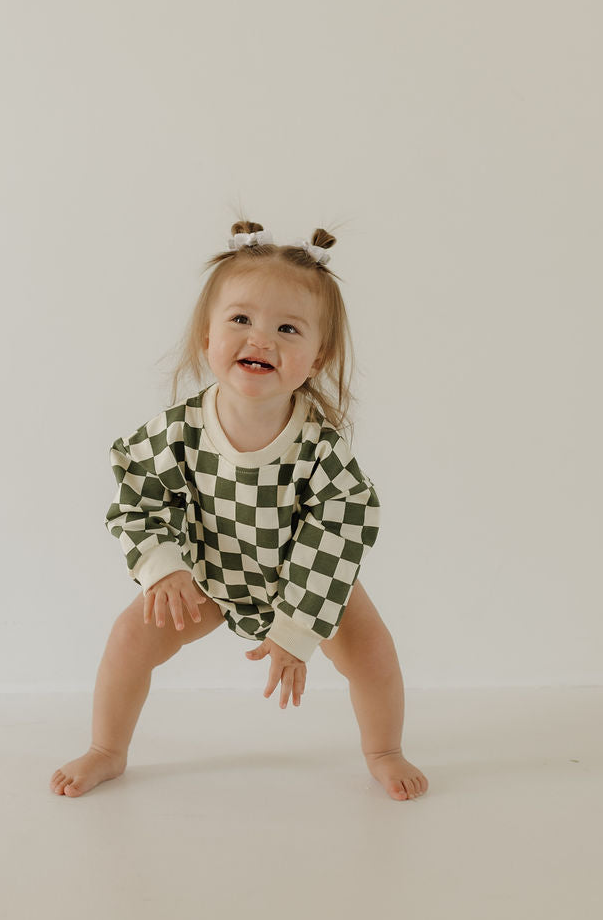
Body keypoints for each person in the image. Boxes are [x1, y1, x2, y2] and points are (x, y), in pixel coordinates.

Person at [50, 219, 429, 803]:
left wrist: (298, 625)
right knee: (130, 638)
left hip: (301, 577)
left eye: (287, 328)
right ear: (207, 336)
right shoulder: (178, 431)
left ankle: (385, 749)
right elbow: (137, 492)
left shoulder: (318, 447)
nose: (261, 340)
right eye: (240, 320)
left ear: (317, 355)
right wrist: (164, 567)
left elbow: (342, 527)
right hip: (204, 572)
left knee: (372, 654)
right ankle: (107, 748)